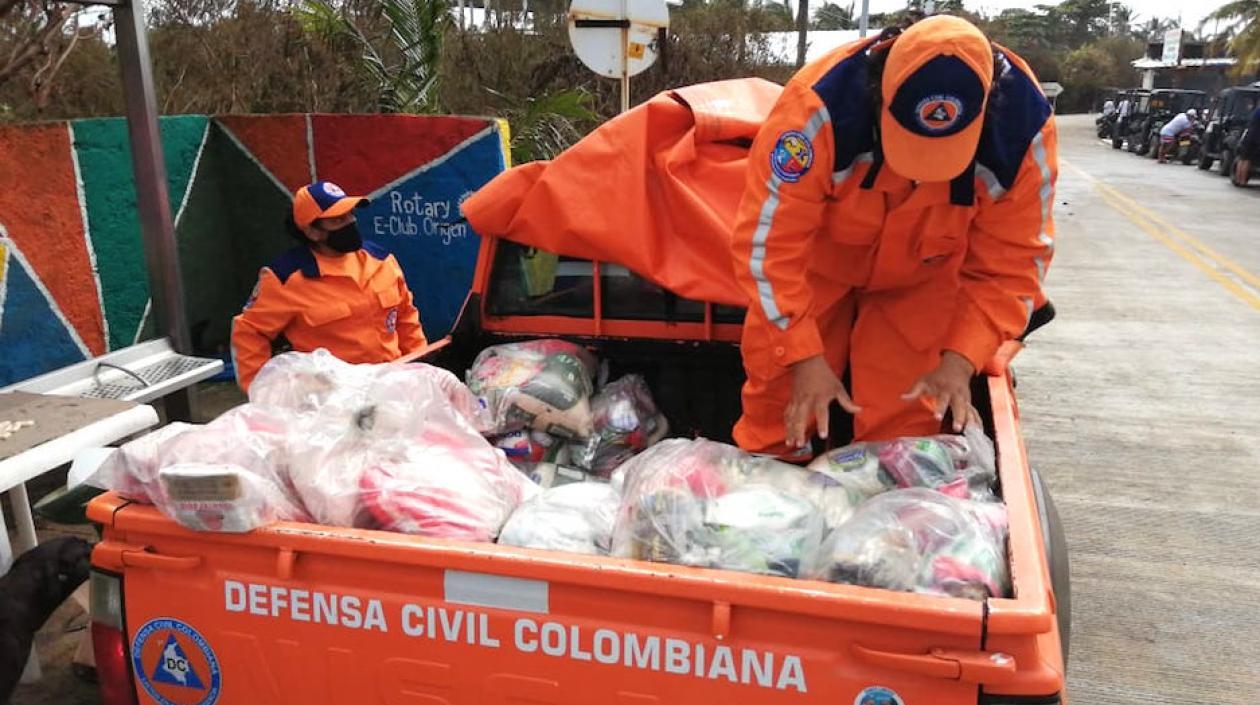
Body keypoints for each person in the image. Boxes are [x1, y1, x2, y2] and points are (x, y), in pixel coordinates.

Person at [730, 15, 1056, 456]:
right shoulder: (815, 110)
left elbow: (1013, 267)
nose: (923, 170)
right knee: (782, 397)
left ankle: (891, 490)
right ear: (879, 92)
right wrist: (803, 356)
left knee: (907, 420)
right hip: (816, 267)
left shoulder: (1023, 131)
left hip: (925, 274)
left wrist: (961, 359)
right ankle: (769, 477)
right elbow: (769, 246)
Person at [231, 181, 427, 391]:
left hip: (391, 384)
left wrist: (421, 369)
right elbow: (250, 331)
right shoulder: (285, 278)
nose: (350, 223)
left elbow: (406, 318)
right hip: (330, 396)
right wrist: (261, 392)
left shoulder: (381, 261)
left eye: (350, 215)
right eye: (338, 220)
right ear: (312, 232)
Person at [1233, 105, 1260, 186]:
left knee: (1242, 159)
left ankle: (1238, 179)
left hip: (1247, 136)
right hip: (1255, 138)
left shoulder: (1256, 111)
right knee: (1247, 161)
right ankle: (1243, 181)